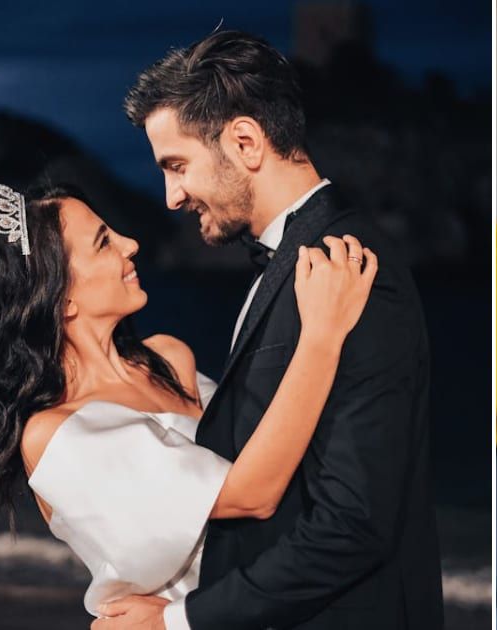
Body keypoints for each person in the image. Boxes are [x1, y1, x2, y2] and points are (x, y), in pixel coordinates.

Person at [97, 30, 444, 629]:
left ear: (245, 141)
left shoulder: (350, 267)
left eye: (177, 166)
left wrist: (179, 621)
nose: (171, 196)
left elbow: (354, 522)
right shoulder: (292, 260)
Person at [0, 182, 375, 619]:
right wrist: (323, 334)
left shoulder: (168, 358)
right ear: (62, 297)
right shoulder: (54, 434)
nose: (130, 244)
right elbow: (252, 492)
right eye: (103, 242)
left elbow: (269, 441)